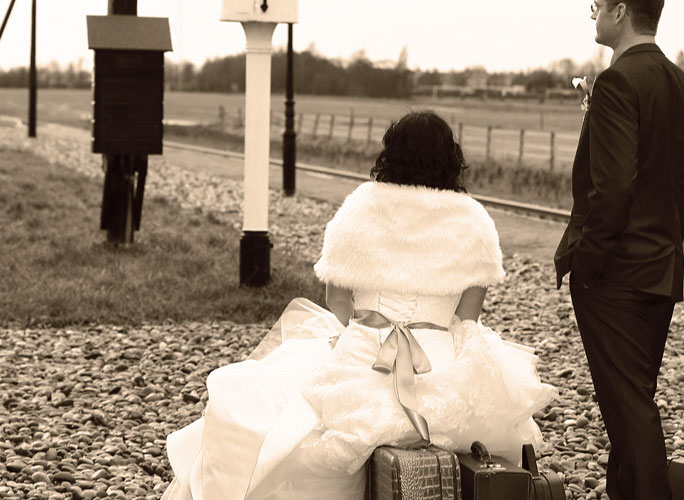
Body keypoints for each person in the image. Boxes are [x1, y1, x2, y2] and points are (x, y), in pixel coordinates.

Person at [161, 110, 558, 499]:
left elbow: (336, 300)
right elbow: (467, 317)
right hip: (440, 362)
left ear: (391, 154)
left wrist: (357, 332)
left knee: (274, 419)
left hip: (365, 351)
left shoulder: (358, 209)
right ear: (450, 159)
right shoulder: (474, 222)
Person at [553, 1, 684, 499]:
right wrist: (666, 246)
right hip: (659, 268)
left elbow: (611, 187)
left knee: (630, 408)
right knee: (630, 401)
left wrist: (589, 261)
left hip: (615, 274)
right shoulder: (679, 82)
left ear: (619, 12)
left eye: (595, 6)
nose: (592, 15)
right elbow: (682, 185)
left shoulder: (617, 82)